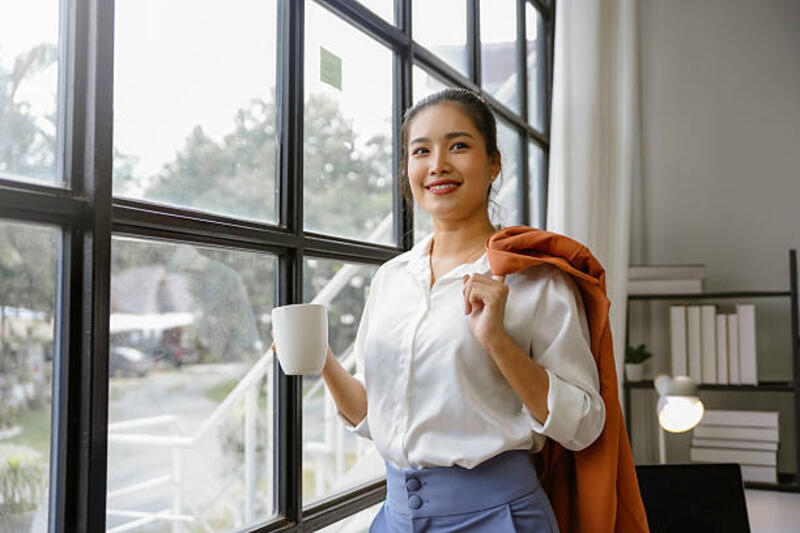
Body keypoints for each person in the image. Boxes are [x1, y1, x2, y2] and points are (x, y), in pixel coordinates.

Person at [274, 88, 605, 532]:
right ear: (407, 169)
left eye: (459, 146)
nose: (438, 165)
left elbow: (584, 424)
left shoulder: (535, 278)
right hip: (395, 519)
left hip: (498, 519)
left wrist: (497, 342)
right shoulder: (391, 278)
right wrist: (324, 362)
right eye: (421, 151)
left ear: (494, 164)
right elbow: (375, 417)